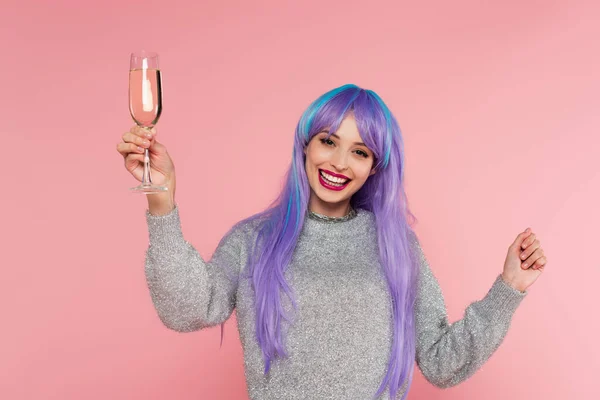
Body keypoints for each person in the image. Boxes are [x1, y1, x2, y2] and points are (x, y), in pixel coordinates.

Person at [116, 84, 547, 399]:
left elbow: (440, 363)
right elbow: (185, 310)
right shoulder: (253, 241)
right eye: (328, 142)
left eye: (360, 152)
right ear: (305, 146)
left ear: (376, 167)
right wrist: (162, 205)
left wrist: (507, 289)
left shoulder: (397, 249)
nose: (339, 163)